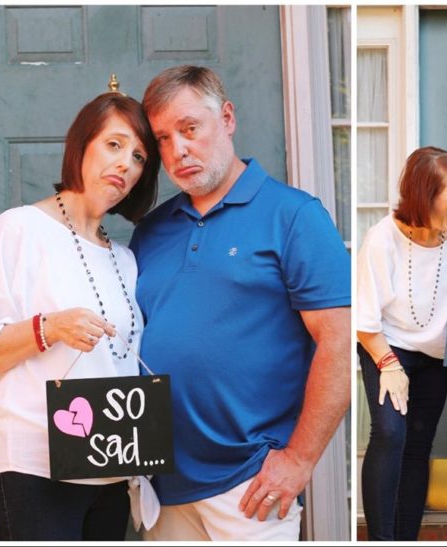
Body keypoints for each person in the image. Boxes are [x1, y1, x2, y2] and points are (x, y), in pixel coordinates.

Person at [128, 65, 351, 541]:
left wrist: (300, 459)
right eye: (163, 139)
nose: (177, 151)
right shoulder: (151, 230)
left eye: (189, 129)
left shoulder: (294, 216)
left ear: (226, 118)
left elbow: (338, 339)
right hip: (161, 486)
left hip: (250, 484)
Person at [0, 90, 160, 540]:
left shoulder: (125, 260)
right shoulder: (18, 229)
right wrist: (49, 328)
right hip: (34, 471)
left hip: (112, 471)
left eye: (139, 157)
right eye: (114, 145)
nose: (126, 164)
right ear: (82, 145)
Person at [356, 146, 447, 540]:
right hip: (386, 344)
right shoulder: (381, 239)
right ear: (426, 195)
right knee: (390, 434)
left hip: (438, 349)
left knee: (418, 444)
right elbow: (365, 319)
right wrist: (388, 364)